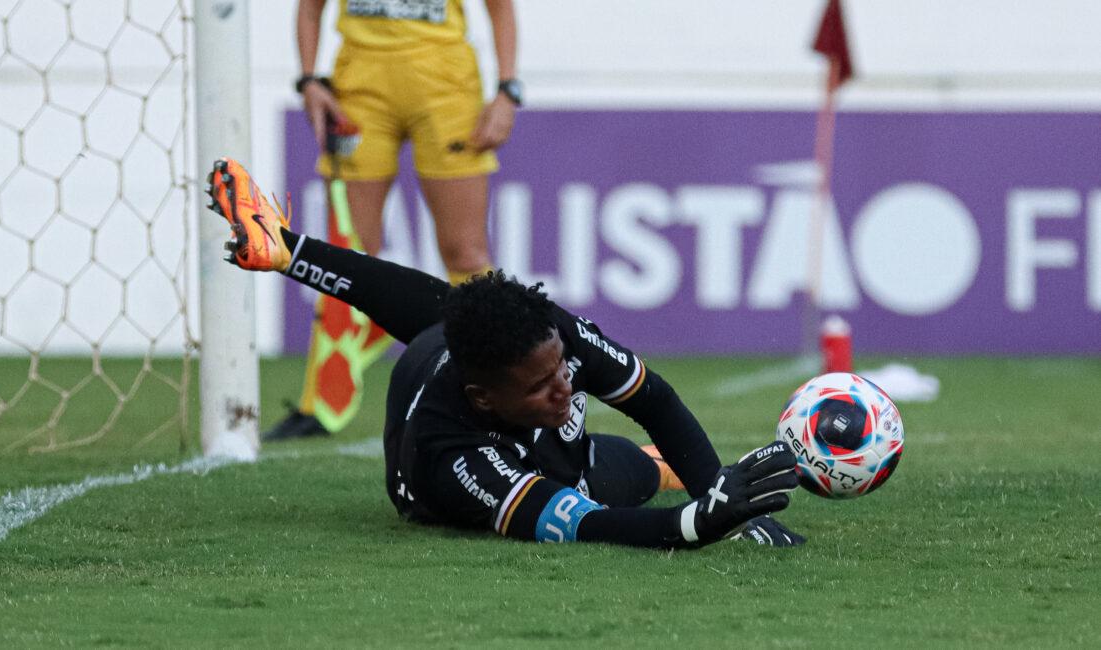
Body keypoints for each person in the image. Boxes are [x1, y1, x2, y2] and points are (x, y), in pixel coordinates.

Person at [206, 158, 806, 548]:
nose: (564, 387)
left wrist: (727, 500)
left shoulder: (545, 332)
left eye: (560, 370)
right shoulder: (454, 455)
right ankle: (659, 469)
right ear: (484, 397)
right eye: (541, 385)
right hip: (456, 478)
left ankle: (286, 249)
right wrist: (700, 521)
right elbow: (587, 525)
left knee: (623, 462)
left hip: (515, 412)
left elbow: (655, 399)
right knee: (595, 489)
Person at [267, 0, 521, 440]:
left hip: (445, 85)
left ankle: (502, 390)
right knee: (347, 252)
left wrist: (506, 92)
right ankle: (321, 404)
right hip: (359, 87)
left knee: (466, 252)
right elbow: (310, 8)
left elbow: (500, 8)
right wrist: (308, 80)